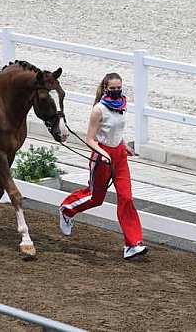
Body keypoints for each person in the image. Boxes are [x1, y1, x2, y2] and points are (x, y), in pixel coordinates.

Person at [59, 72, 148, 260]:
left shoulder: (122, 106)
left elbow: (116, 130)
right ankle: (67, 209)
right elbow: (90, 139)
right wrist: (104, 153)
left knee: (126, 197)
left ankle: (132, 244)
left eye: (119, 87)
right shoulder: (98, 110)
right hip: (102, 155)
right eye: (113, 88)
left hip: (119, 156)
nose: (117, 91)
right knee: (95, 197)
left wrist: (123, 146)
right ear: (106, 88)